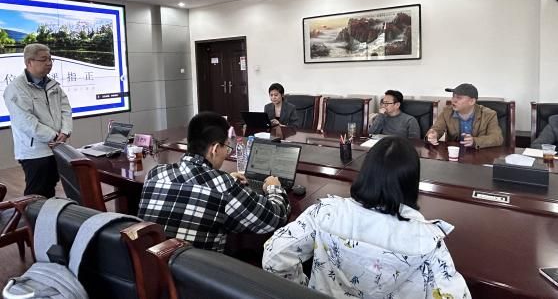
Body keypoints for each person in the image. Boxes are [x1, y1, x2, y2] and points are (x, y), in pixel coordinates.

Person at [262, 137, 470, 298]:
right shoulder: (426, 239)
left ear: (365, 172)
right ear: (411, 183)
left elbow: (274, 256)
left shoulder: (326, 212)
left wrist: (303, 289)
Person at [138, 111, 290, 252]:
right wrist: (274, 188)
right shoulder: (225, 187)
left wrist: (222, 179)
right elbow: (275, 218)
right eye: (227, 147)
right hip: (200, 271)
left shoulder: (155, 174)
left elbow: (193, 185)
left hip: (152, 267)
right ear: (215, 149)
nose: (227, 152)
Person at [3, 43, 72, 197]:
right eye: (43, 59)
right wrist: (54, 136)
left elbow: (66, 109)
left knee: (50, 186)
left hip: (56, 146)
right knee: (36, 192)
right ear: (29, 62)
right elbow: (25, 122)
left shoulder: (53, 85)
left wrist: (65, 131)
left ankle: (48, 212)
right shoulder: (16, 88)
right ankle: (31, 213)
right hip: (35, 151)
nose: (49, 63)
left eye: (50, 59)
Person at [426, 83, 503, 149]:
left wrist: (474, 141)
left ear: (472, 101)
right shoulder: (447, 112)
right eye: (453, 96)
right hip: (454, 154)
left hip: (480, 155)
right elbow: (436, 129)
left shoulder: (489, 114)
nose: (453, 100)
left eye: (459, 98)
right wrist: (433, 135)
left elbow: (497, 138)